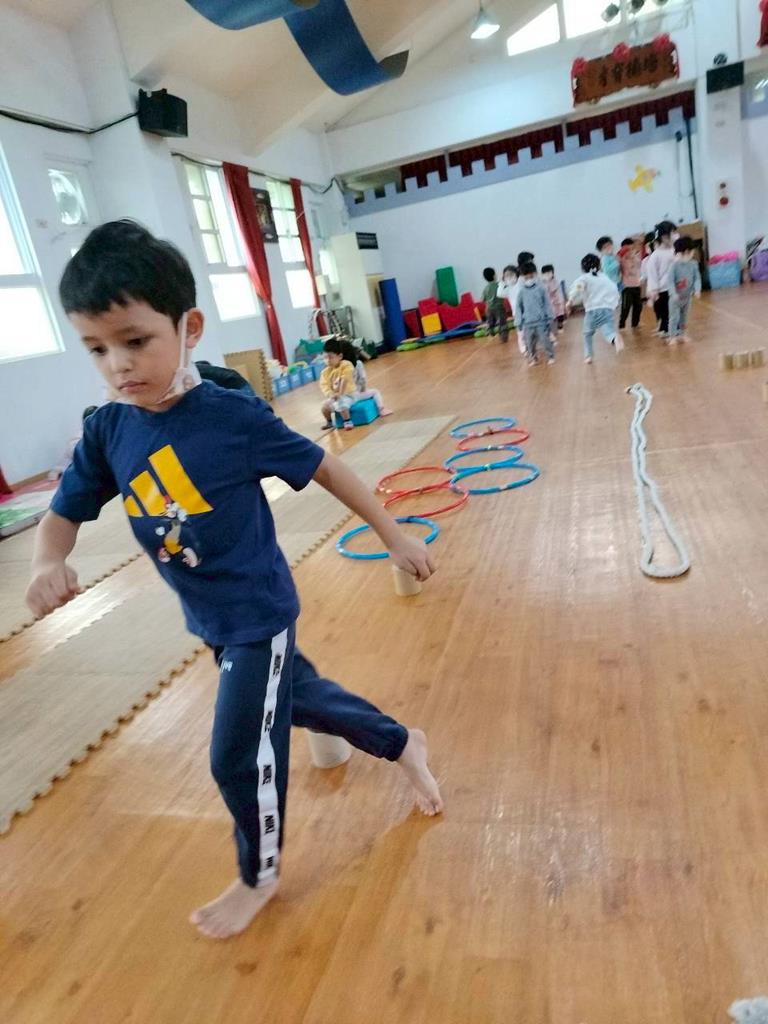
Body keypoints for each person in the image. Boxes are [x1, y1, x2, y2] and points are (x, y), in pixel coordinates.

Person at [25, 219, 442, 941]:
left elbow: (327, 467)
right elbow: (62, 512)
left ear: (188, 328)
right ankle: (403, 742)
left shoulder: (229, 417)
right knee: (298, 698)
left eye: (135, 341)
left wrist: (394, 534)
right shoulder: (109, 429)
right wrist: (46, 561)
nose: (118, 365)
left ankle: (260, 876)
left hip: (256, 614)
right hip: (210, 618)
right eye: (96, 348)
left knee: (235, 756)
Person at [567, 253, 623, 365]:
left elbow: (578, 288)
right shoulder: (604, 277)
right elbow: (614, 289)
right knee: (608, 331)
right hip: (607, 309)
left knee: (587, 333)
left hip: (592, 310)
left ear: (583, 268)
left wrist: (571, 300)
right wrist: (614, 304)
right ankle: (614, 338)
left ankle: (588, 356)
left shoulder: (584, 278)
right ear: (599, 266)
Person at [325, 337, 392, 417]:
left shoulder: (335, 367)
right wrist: (363, 388)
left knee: (329, 403)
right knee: (375, 392)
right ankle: (381, 409)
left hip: (342, 395)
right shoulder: (357, 364)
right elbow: (363, 379)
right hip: (355, 394)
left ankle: (329, 419)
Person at [515, 261, 555, 366]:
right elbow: (518, 307)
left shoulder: (541, 289)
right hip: (527, 323)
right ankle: (533, 358)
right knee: (529, 343)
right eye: (526, 276)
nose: (529, 278)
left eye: (531, 275)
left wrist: (550, 316)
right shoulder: (521, 291)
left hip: (541, 321)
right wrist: (518, 321)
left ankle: (551, 356)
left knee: (545, 340)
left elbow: (547, 303)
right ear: (522, 277)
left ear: (535, 274)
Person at [667, 236, 701, 344]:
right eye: (691, 252)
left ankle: (683, 334)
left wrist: (697, 290)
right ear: (686, 252)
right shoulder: (673, 266)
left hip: (687, 298)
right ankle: (672, 336)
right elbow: (670, 282)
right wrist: (673, 294)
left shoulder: (694, 264)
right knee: (674, 318)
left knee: (684, 317)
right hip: (675, 299)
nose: (692, 254)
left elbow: (697, 278)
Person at [645, 221, 676, 338]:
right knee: (665, 312)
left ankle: (674, 329)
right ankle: (667, 330)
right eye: (673, 233)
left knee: (675, 310)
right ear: (664, 237)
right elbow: (652, 274)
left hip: (674, 287)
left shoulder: (674, 251)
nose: (675, 236)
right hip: (663, 290)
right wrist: (654, 290)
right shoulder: (656, 255)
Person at [319, 339, 357, 430]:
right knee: (324, 407)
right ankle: (329, 422)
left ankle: (347, 421)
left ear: (340, 356)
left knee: (341, 403)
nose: (327, 360)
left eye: (330, 357)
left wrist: (340, 393)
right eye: (325, 358)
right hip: (334, 397)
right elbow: (324, 386)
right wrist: (331, 394)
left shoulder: (346, 365)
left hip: (348, 395)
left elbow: (345, 378)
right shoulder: (325, 372)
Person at [496, 264, 525, 354]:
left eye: (511, 275)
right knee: (520, 332)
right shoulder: (508, 289)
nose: (509, 277)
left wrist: (519, 274)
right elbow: (499, 294)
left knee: (530, 329)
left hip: (527, 311)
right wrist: (502, 283)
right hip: (517, 313)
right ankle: (523, 347)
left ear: (516, 275)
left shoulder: (520, 284)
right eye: (506, 276)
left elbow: (522, 278)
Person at [618, 236, 643, 330]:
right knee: (626, 307)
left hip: (636, 284)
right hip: (626, 286)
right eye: (628, 249)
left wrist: (634, 255)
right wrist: (624, 256)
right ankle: (622, 324)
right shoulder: (621, 259)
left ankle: (635, 324)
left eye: (632, 249)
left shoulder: (636, 257)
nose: (631, 251)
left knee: (638, 306)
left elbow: (639, 262)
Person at [481, 267, 509, 343]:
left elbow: (482, 299)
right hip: (499, 307)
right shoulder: (498, 285)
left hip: (489, 309)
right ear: (494, 276)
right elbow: (505, 292)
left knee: (490, 321)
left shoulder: (486, 288)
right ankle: (503, 338)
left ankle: (490, 331)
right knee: (502, 323)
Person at [540, 264, 566, 334]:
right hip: (548, 303)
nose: (547, 275)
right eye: (545, 273)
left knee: (559, 313)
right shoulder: (542, 283)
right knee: (549, 316)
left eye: (549, 272)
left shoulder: (555, 281)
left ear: (553, 273)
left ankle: (560, 326)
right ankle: (549, 330)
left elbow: (558, 292)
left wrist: (560, 301)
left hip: (557, 301)